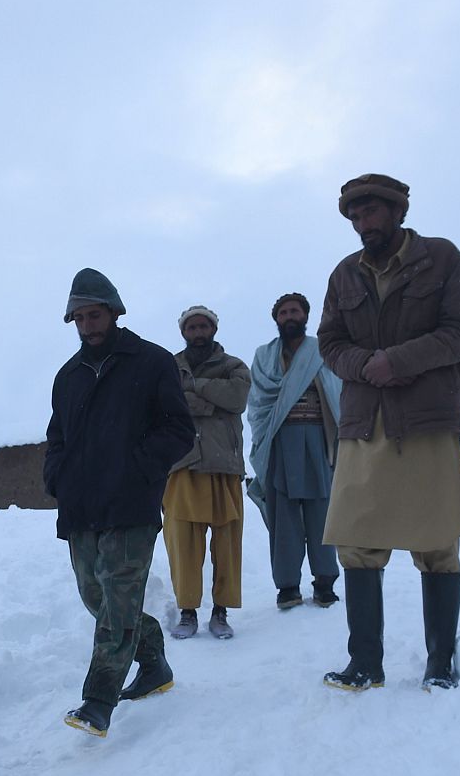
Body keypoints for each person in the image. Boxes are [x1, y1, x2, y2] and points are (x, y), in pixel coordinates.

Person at [316, 173, 460, 692]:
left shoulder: (443, 258)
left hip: (427, 420)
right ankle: (365, 663)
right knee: (356, 543)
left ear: (396, 212)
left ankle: (440, 660)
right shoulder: (344, 275)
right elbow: (330, 342)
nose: (363, 224)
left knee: (437, 541)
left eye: (371, 214)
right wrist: (367, 365)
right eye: (355, 217)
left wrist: (400, 360)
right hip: (364, 424)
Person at [45, 268, 195, 737]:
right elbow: (57, 438)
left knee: (120, 595)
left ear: (113, 312)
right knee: (98, 597)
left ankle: (99, 700)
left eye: (95, 314)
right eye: (80, 317)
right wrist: (57, 478)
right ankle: (154, 664)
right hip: (81, 506)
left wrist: (138, 468)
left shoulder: (150, 362)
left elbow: (178, 428)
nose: (88, 325)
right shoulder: (68, 376)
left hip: (130, 502)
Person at [247, 292, 345, 612]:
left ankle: (325, 582)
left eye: (295, 311)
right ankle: (287, 586)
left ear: (305, 315)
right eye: (283, 312)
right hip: (280, 439)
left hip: (318, 438)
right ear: (276, 318)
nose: (289, 316)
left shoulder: (321, 351)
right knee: (283, 516)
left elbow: (336, 389)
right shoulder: (264, 356)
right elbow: (259, 402)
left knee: (322, 513)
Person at [162, 305, 250, 640]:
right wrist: (211, 400)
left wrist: (194, 387)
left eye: (203, 326)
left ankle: (221, 611)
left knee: (226, 543)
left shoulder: (233, 365)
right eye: (192, 327)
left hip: (223, 464)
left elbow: (238, 397)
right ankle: (187, 612)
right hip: (182, 464)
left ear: (213, 328)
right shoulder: (168, 366)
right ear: (183, 331)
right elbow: (162, 404)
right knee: (183, 543)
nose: (198, 332)